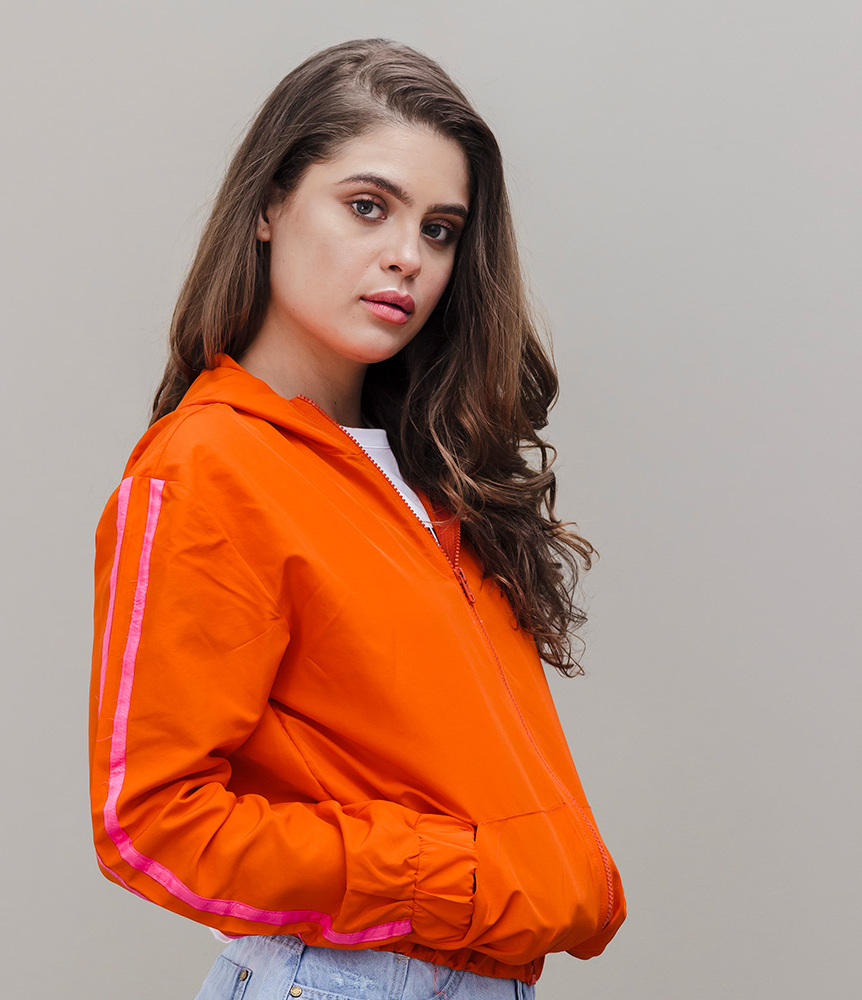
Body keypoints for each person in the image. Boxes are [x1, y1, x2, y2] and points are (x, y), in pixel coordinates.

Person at [89, 38, 626, 1000]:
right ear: (269, 206)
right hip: (352, 979)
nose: (406, 257)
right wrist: (440, 876)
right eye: (368, 206)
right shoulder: (208, 465)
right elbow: (149, 821)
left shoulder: (430, 473)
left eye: (440, 230)